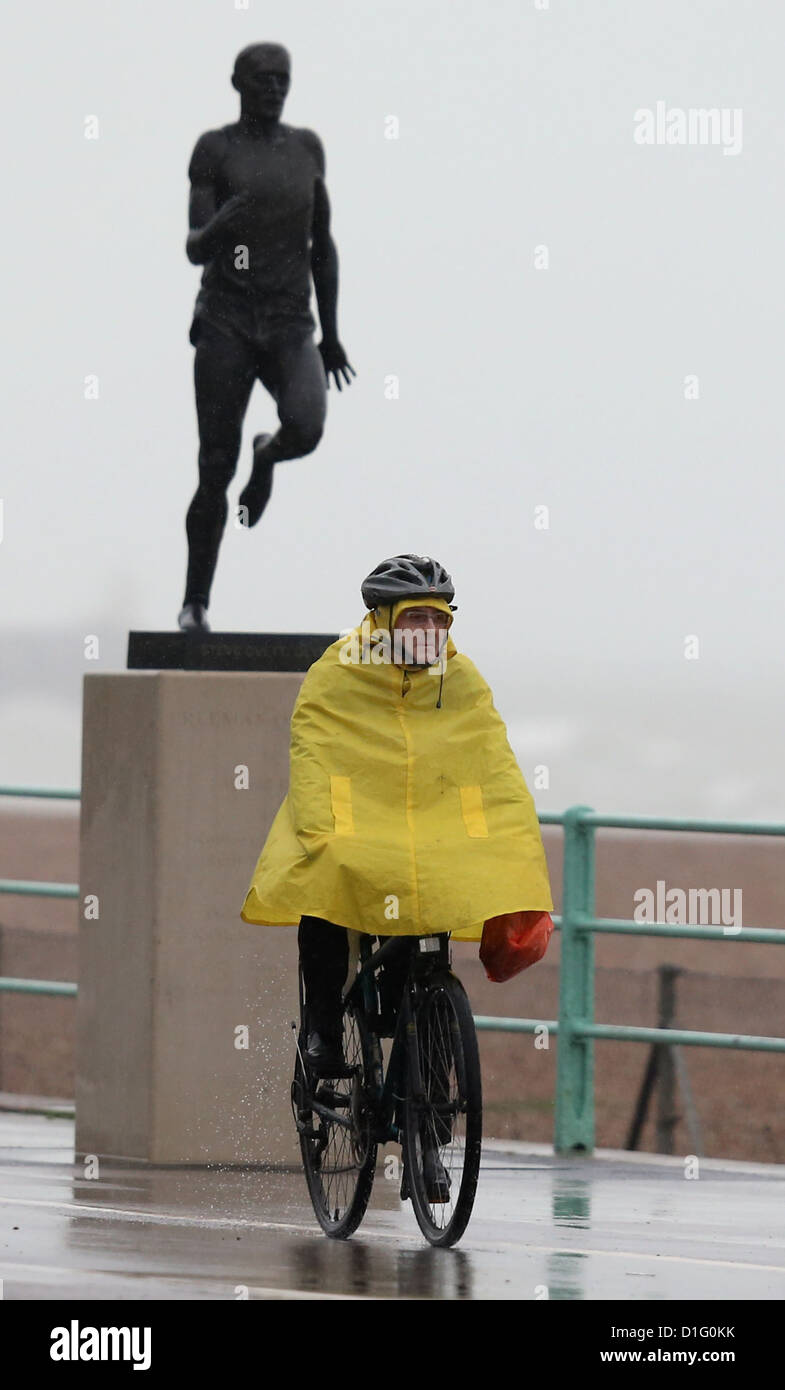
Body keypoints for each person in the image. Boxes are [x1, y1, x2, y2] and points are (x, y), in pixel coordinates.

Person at [240, 554, 554, 1197]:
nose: (427, 635)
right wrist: (325, 833)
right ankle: (325, 1034)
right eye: (414, 620)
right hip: (353, 832)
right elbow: (314, 753)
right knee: (322, 897)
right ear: (380, 620)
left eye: (437, 622)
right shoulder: (336, 672)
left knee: (428, 975)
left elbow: (495, 767)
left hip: (430, 842)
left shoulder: (462, 680)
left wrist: (514, 843)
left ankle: (426, 1130)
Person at [179, 42, 355, 632]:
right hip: (227, 319)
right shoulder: (215, 149)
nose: (274, 88)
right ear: (237, 83)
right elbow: (193, 246)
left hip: (288, 323)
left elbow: (322, 245)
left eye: (283, 79)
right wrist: (220, 226)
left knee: (307, 425)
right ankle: (195, 602)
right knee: (213, 467)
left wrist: (331, 335)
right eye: (262, 79)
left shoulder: (307, 150)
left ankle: (269, 455)